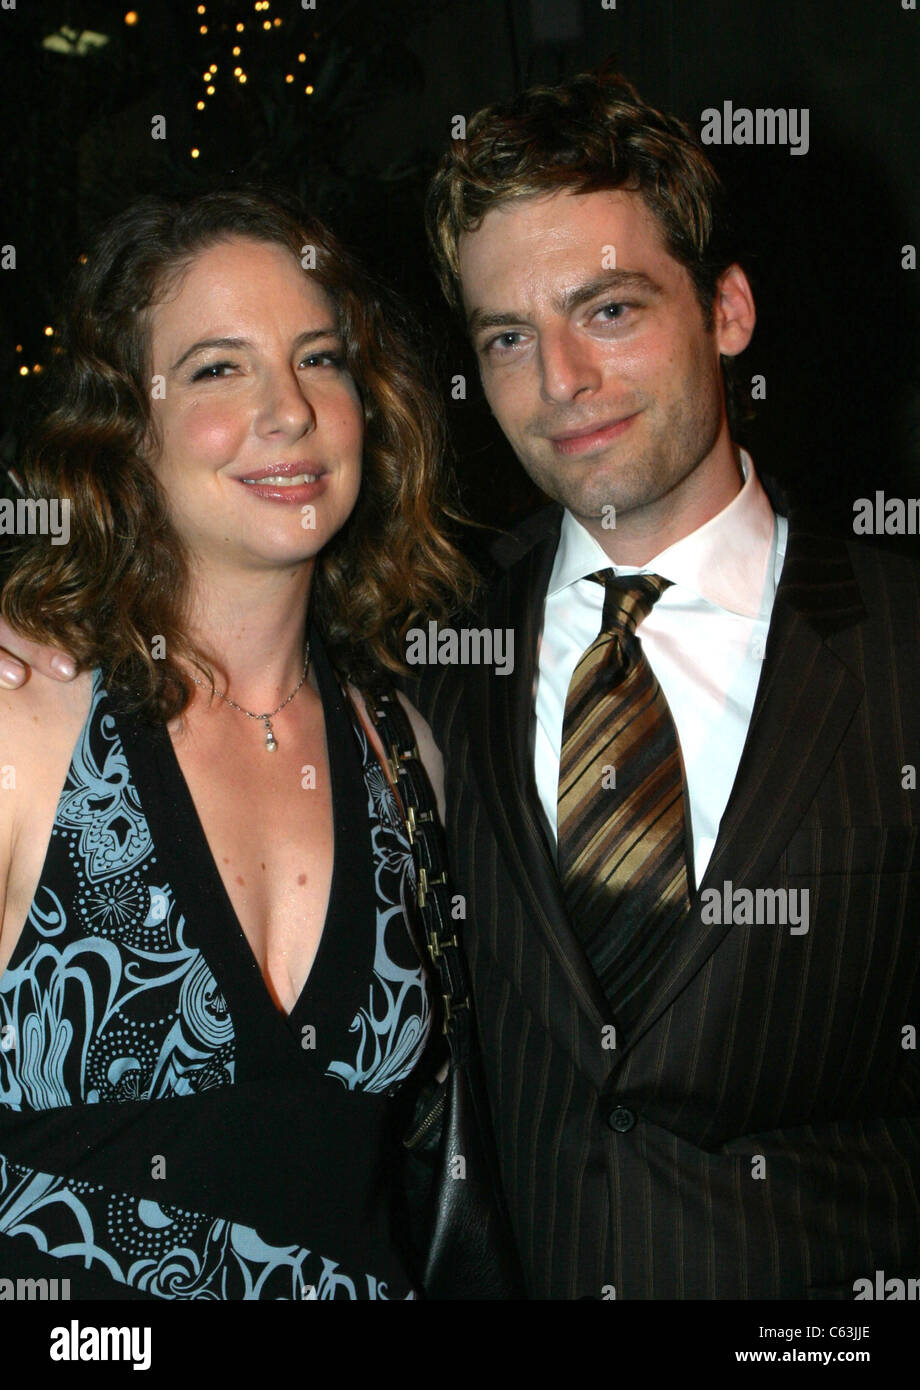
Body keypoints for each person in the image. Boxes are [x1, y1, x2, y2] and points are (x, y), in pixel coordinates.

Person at [6, 71, 920, 1303]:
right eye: (504, 336)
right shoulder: (434, 666)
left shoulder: (895, 645)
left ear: (726, 309)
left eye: (606, 308)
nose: (561, 379)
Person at [0, 187, 479, 1300]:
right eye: (218, 369)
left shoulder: (404, 751)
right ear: (127, 422)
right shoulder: (25, 724)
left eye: (319, 359)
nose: (288, 411)